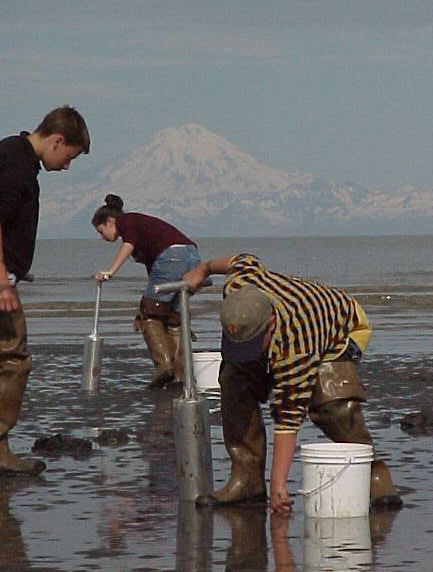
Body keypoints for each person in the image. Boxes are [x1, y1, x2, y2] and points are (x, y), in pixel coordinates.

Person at [184, 253, 403, 514]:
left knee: (331, 402)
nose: (247, 353)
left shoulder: (297, 344)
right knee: (233, 380)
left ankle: (374, 475)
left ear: (271, 325)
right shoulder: (238, 287)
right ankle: (247, 481)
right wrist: (203, 269)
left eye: (253, 346)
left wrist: (279, 484)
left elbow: (288, 414)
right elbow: (241, 259)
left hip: (342, 329)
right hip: (286, 323)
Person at [0, 106, 90, 476]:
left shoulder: (10, 152)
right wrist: (3, 279)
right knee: (13, 360)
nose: (67, 166)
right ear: (56, 140)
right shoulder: (18, 169)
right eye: (68, 157)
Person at [92, 194, 201, 388]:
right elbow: (154, 276)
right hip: (192, 256)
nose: (102, 237)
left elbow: (128, 245)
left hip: (172, 256)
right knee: (174, 316)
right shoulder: (143, 227)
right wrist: (141, 310)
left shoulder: (126, 221)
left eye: (101, 231)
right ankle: (180, 375)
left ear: (110, 221)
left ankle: (163, 367)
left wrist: (111, 271)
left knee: (150, 313)